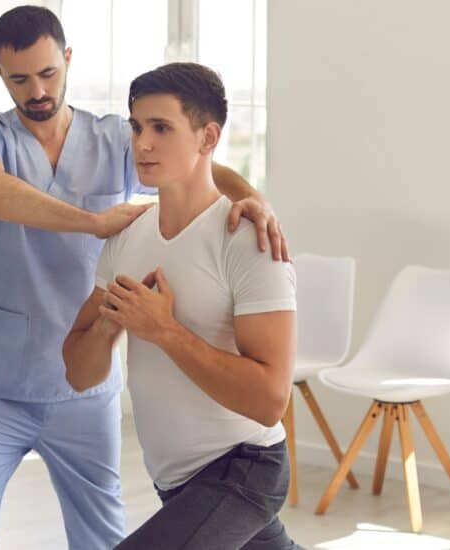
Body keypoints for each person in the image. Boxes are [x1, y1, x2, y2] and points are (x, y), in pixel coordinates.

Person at [0, 6, 290, 550]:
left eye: (48, 73)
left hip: (85, 389)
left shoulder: (113, 138)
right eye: (19, 78)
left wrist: (256, 202)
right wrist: (94, 221)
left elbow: (199, 162)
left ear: (67, 59)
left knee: (99, 536)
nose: (37, 90)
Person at [63, 62, 302, 549]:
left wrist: (163, 331)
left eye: (161, 128)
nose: (142, 143)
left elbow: (270, 399)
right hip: (177, 484)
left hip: (244, 469)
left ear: (208, 137)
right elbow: (78, 372)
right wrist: (112, 326)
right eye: (136, 127)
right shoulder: (126, 238)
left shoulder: (247, 241)